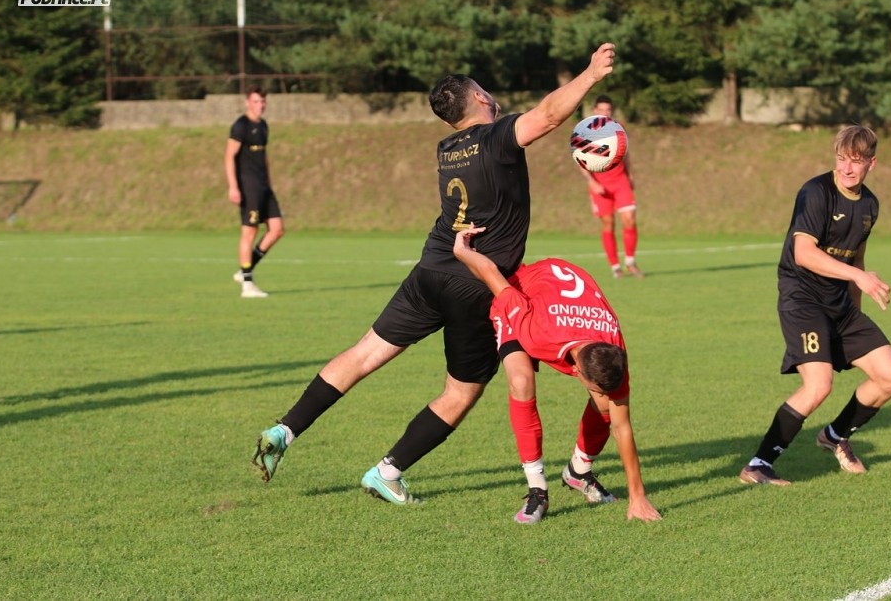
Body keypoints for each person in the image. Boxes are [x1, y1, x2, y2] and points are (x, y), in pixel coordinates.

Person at [252, 44, 619, 504]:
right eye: (484, 90)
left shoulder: (447, 148)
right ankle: (386, 472)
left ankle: (285, 429)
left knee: (364, 353)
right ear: (480, 97)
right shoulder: (495, 137)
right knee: (461, 392)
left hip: (429, 270)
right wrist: (590, 75)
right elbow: (546, 116)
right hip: (474, 285)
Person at [452, 225, 661, 524]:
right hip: (523, 290)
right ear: (576, 371)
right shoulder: (537, 331)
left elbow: (622, 426)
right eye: (595, 387)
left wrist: (637, 496)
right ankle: (537, 490)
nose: (602, 392)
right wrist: (462, 251)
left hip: (562, 298)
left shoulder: (613, 345)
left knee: (606, 406)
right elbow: (492, 276)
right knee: (521, 381)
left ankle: (579, 471)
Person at [739, 125, 891, 486]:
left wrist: (856, 306)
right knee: (818, 385)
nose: (847, 168)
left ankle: (834, 436)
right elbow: (803, 253)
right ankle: (758, 464)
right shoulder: (816, 192)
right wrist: (859, 277)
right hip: (803, 298)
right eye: (842, 159)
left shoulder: (870, 204)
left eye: (856, 161)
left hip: (841, 304)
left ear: (872, 163)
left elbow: (856, 257)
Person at [224, 85, 285, 298]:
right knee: (249, 232)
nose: (260, 105)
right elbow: (229, 157)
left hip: (263, 186)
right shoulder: (240, 125)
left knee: (277, 229)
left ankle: (244, 271)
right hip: (248, 186)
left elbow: (263, 157)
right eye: (256, 101)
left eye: (263, 101)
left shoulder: (263, 126)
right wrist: (233, 186)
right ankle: (247, 285)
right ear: (247, 102)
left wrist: (269, 182)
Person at [578, 95, 642, 278]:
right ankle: (615, 267)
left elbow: (625, 153)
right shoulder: (585, 132)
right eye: (602, 110)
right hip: (600, 184)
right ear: (595, 111)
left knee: (629, 219)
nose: (605, 113)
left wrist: (630, 175)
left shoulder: (618, 128)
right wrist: (592, 182)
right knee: (608, 223)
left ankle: (630, 262)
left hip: (621, 181)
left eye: (608, 110)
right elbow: (581, 161)